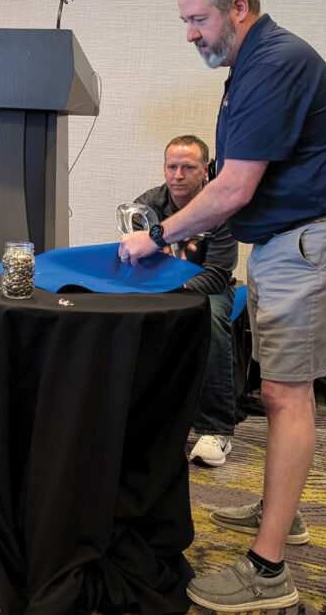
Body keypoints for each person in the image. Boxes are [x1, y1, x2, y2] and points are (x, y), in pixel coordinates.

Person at [119, 0, 326, 612]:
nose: (189, 34)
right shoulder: (251, 66)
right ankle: (279, 512)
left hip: (313, 237)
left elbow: (232, 184)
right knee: (283, 387)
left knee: (286, 395)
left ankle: (268, 571)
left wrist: (157, 234)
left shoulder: (274, 61)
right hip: (292, 236)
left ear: (237, 8)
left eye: (196, 18)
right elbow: (235, 182)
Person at [133, 134, 238, 466]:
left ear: (205, 170)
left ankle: (216, 429)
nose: (178, 175)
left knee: (212, 322)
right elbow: (134, 262)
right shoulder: (146, 206)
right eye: (171, 167)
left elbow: (217, 275)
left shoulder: (222, 207)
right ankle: (138, 417)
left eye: (187, 167)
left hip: (208, 288)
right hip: (155, 286)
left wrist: (172, 292)